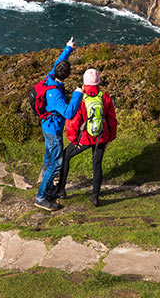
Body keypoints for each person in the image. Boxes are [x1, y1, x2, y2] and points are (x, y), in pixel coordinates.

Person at [34, 37, 83, 211]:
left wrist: (68, 48)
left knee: (49, 155)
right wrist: (78, 94)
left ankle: (45, 183)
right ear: (68, 75)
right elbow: (69, 113)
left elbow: (59, 62)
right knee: (57, 162)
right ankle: (41, 197)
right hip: (53, 129)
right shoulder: (55, 95)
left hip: (46, 126)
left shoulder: (51, 77)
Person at [56, 67, 117, 206]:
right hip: (101, 137)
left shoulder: (81, 99)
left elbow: (73, 122)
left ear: (84, 83)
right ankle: (95, 197)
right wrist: (110, 138)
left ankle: (61, 190)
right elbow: (112, 119)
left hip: (84, 139)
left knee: (66, 156)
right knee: (97, 165)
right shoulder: (104, 97)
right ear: (98, 83)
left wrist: (73, 140)